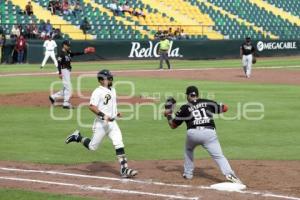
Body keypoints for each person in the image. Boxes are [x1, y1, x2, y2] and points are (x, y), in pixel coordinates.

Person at [65, 69, 138, 178]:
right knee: (92, 147)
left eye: (110, 77)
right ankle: (77, 137)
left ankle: (124, 169)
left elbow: (110, 105)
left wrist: (115, 113)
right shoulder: (98, 91)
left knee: (119, 143)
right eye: (107, 78)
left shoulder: (112, 89)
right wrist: (104, 116)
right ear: (101, 80)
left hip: (113, 124)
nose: (110, 79)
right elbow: (91, 106)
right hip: (101, 124)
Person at [163, 86, 243, 184]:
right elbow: (225, 108)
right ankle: (229, 174)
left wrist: (169, 114)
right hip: (209, 134)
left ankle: (188, 174)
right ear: (197, 94)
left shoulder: (185, 107)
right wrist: (220, 105)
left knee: (188, 149)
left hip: (193, 134)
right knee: (219, 156)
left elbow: (173, 125)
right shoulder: (208, 102)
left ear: (188, 96)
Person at [49, 40, 95, 109]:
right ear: (64, 45)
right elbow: (59, 63)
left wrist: (84, 52)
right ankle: (66, 103)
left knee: (66, 88)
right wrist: (60, 73)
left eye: (69, 45)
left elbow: (74, 54)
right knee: (68, 88)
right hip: (64, 70)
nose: (69, 46)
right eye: (67, 45)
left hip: (67, 71)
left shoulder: (68, 52)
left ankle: (53, 97)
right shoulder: (61, 53)